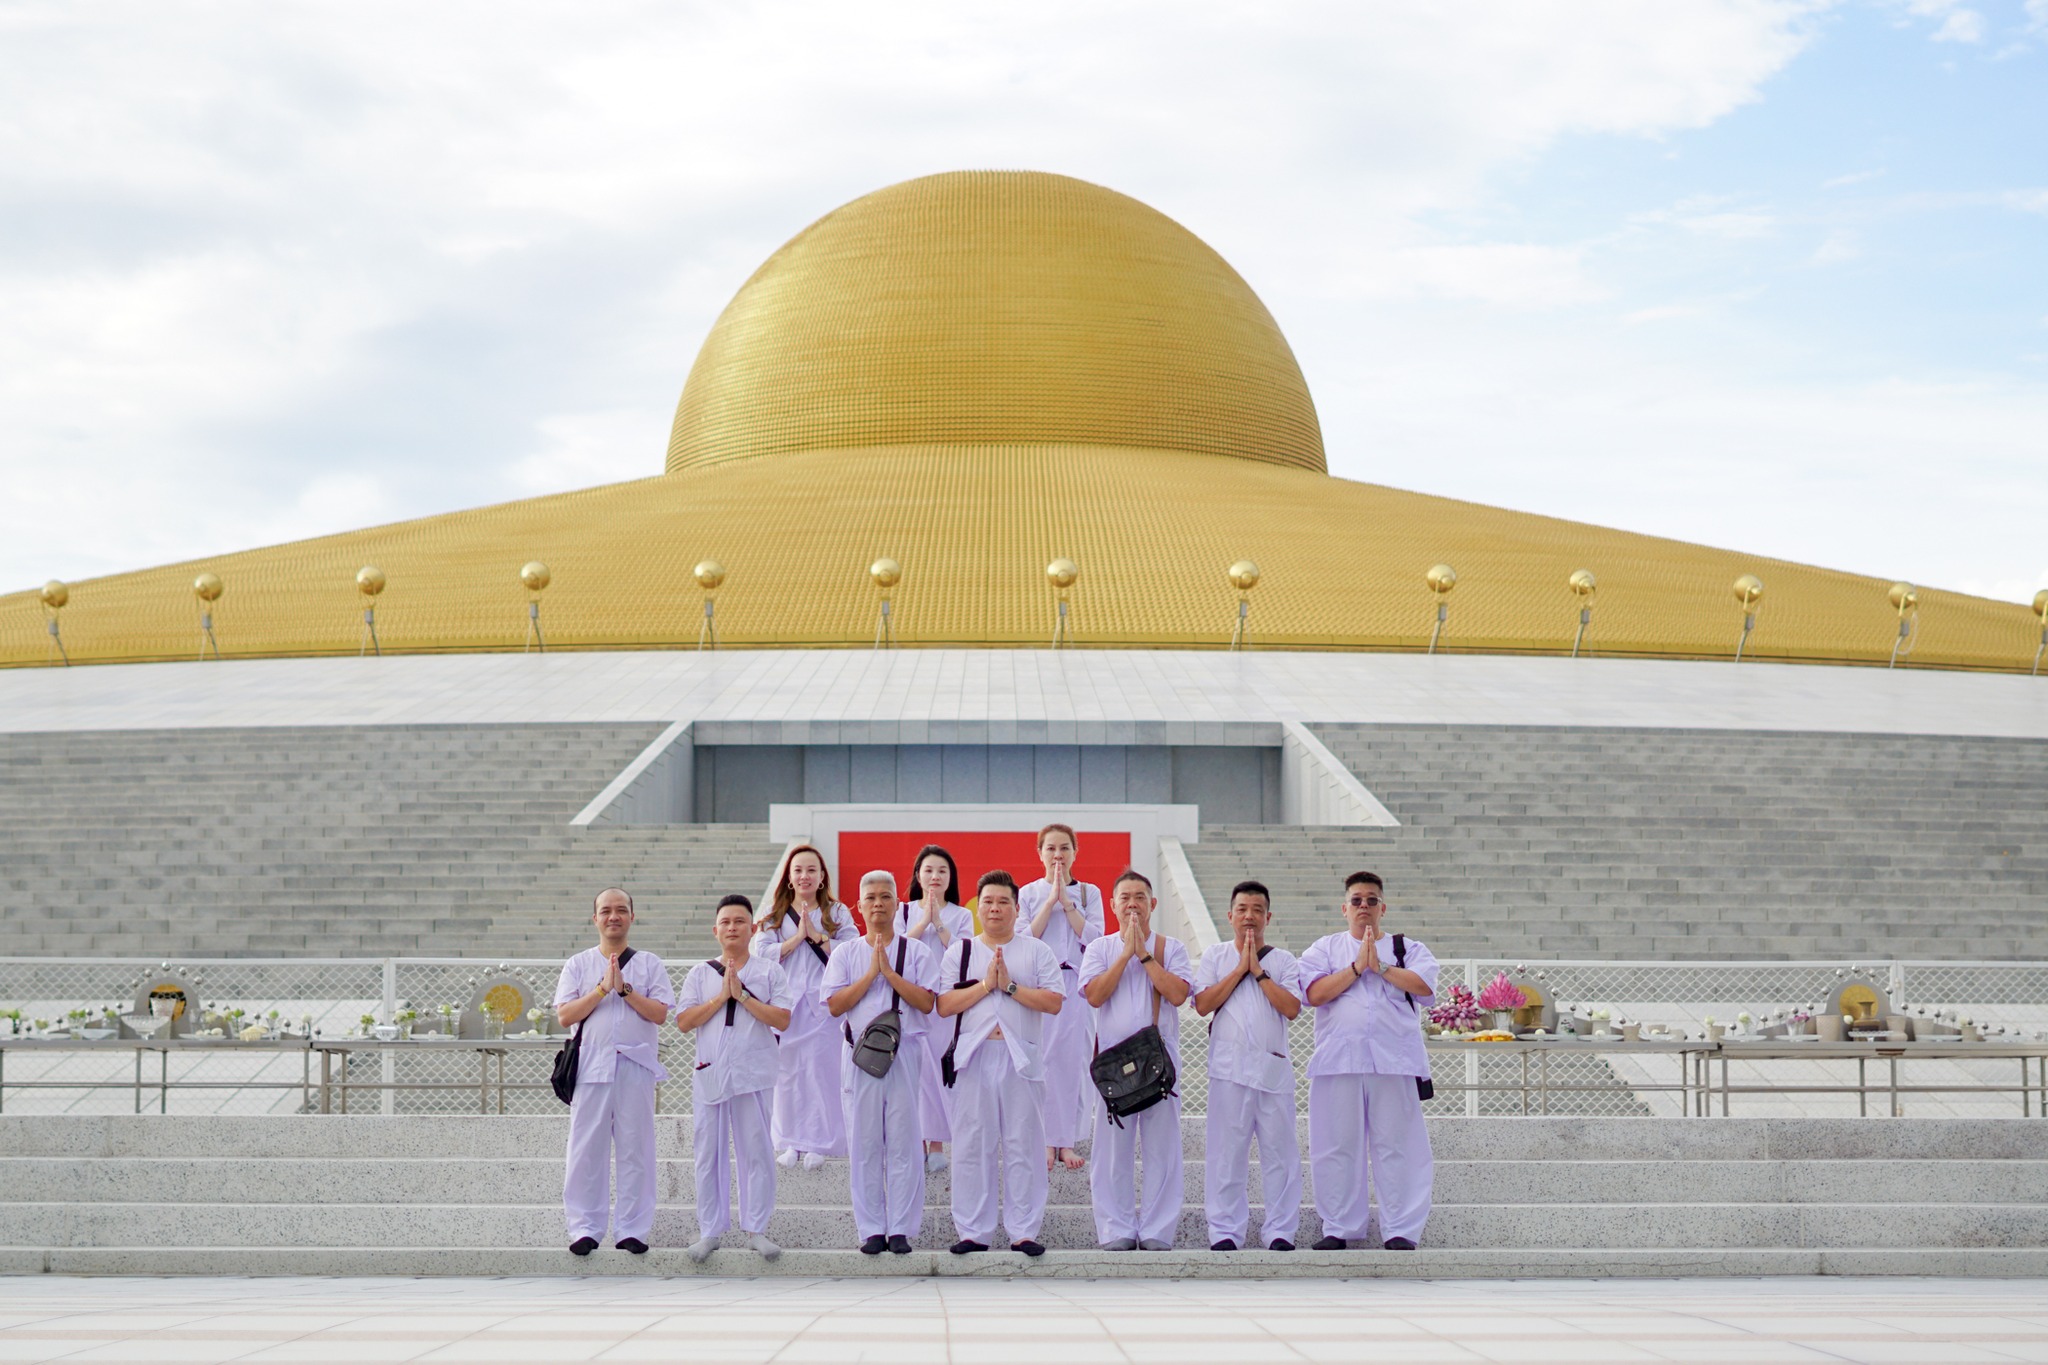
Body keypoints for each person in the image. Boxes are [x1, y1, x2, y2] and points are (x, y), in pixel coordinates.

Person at [1299, 871, 1439, 1251]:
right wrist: (1357, 968)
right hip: (1337, 1061)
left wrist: (1382, 968)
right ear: (1344, 908)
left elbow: (1426, 988)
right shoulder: (1324, 949)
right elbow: (1313, 994)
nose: (1364, 907)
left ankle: (1401, 1230)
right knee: (1335, 1145)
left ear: (1383, 908)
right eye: (1357, 900)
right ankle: (1340, 1227)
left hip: (1394, 1061)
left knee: (1399, 1146)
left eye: (1371, 900)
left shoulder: (1406, 948)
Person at [935, 869, 1064, 1256]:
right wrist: (985, 985)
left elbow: (1054, 1002)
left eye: (1003, 901)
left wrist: (1009, 986)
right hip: (974, 1057)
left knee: (1024, 1144)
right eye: (988, 901)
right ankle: (973, 1231)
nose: (995, 908)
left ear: (1016, 907)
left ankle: (1024, 1230)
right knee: (973, 1145)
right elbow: (943, 1005)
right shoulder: (961, 952)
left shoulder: (1036, 950)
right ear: (979, 906)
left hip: (1020, 1057)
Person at [552, 887, 676, 1257]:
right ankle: (584, 1228)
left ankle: (632, 1229)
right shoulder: (578, 964)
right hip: (590, 1066)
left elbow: (660, 1014)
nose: (613, 917)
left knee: (636, 1148)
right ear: (595, 919)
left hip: (635, 1065)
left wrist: (625, 990)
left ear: (632, 917)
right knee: (585, 1150)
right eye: (605, 911)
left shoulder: (649, 963)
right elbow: (565, 1016)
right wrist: (602, 988)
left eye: (621, 910)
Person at [825, 870, 941, 1254]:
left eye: (885, 897)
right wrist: (871, 974)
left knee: (906, 1141)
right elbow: (835, 1005)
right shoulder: (845, 953)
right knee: (865, 1140)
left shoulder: (916, 951)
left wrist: (889, 974)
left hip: (904, 1052)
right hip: (859, 1055)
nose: (878, 903)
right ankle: (871, 1228)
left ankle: (902, 1229)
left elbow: (927, 1002)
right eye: (871, 897)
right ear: (859, 906)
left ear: (897, 903)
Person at [674, 893, 794, 1263]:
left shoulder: (769, 971)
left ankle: (756, 1228)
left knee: (756, 1151)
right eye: (725, 922)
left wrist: (742, 997)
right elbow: (683, 1022)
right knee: (707, 1153)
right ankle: (710, 1230)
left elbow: (783, 1020)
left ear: (752, 927)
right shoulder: (700, 973)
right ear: (715, 930)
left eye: (739, 921)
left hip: (754, 1072)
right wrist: (720, 998)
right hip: (711, 1072)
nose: (732, 928)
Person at [1078, 869, 1193, 1250]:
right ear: (1112, 905)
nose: (1132, 905)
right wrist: (1124, 952)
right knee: (1112, 1150)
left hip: (1160, 1062)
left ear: (1152, 904)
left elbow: (1178, 994)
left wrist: (1142, 953)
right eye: (1124, 898)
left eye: (1140, 897)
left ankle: (1159, 1230)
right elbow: (1094, 996)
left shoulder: (1169, 947)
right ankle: (1116, 1230)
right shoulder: (1099, 949)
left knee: (1163, 1148)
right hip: (1114, 1063)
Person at [1191, 880, 1303, 1252]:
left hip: (1272, 1071)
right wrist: (1239, 969)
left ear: (1268, 916)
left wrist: (1258, 971)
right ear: (1230, 915)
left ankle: (1281, 1232)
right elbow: (1203, 1004)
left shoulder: (1283, 960)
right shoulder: (1214, 956)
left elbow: (1291, 1008)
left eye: (1257, 909)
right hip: (1228, 1071)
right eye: (1242, 909)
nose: (1249, 916)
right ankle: (1225, 1231)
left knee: (1280, 1156)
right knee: (1226, 1154)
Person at [751, 845, 858, 1168]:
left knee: (822, 1073)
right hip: (786, 1008)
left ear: (822, 877)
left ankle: (822, 1142)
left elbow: (852, 952)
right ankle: (790, 1141)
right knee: (789, 1074)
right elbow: (761, 955)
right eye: (798, 870)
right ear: (789, 877)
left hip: (823, 1008)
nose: (804, 876)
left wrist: (819, 938)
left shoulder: (837, 913)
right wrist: (796, 939)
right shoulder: (774, 914)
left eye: (811, 870)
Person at [1019, 822, 1105, 1171]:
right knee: (1042, 1062)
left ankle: (1067, 1141)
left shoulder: (1089, 893)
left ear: (1075, 851)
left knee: (1074, 1063)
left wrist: (1067, 903)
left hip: (1076, 986)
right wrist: (1049, 901)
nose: (1058, 855)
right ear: (1040, 853)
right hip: (1040, 987)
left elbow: (1095, 939)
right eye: (1051, 848)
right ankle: (1043, 1140)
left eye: (1064, 848)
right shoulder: (1027, 893)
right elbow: (1025, 938)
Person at [894, 844, 975, 1174]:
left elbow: (965, 955)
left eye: (942, 870)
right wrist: (922, 921)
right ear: (918, 875)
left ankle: (938, 1141)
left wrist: (939, 924)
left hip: (945, 1005)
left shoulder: (962, 914)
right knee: (913, 1071)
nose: (935, 876)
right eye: (928, 870)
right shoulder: (902, 911)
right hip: (911, 1000)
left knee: (938, 1073)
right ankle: (916, 1139)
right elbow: (895, 949)